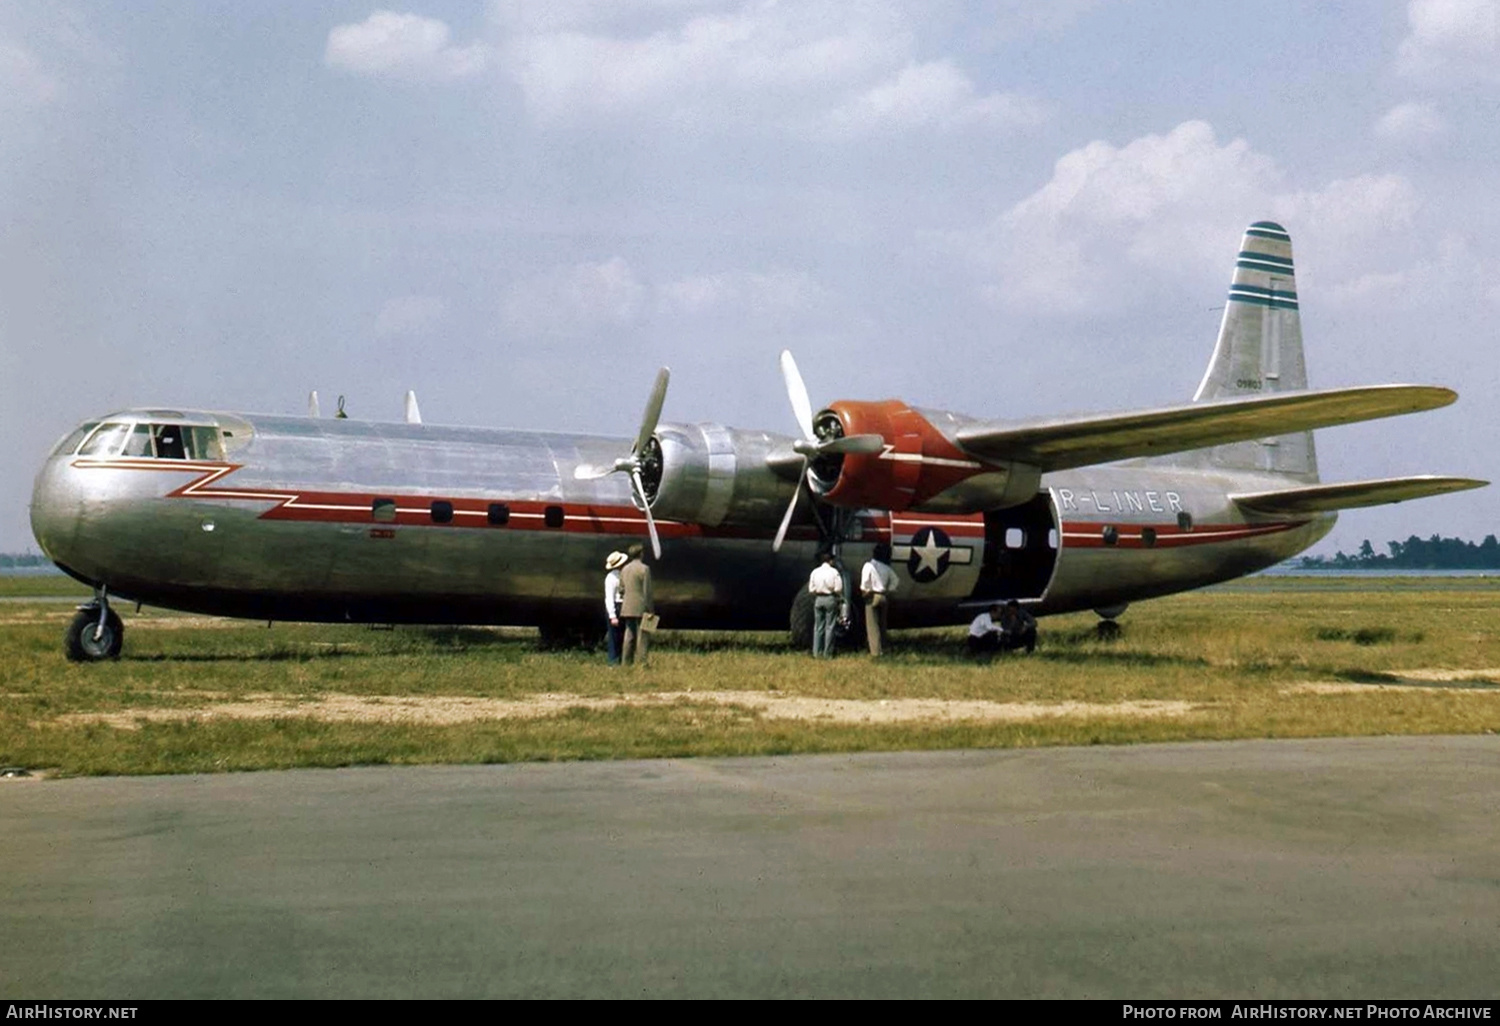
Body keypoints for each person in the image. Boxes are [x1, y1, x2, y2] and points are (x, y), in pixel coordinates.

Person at [859, 543, 898, 657]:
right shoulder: (887, 568)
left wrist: (865, 591)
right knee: (882, 624)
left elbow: (865, 581)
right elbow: (895, 581)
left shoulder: (869, 565)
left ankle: (876, 652)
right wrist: (888, 590)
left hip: (872, 595)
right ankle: (883, 647)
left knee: (872, 625)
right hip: (883, 595)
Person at [619, 543, 654, 666]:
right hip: (641, 605)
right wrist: (650, 609)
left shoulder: (624, 569)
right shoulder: (645, 569)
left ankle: (626, 661)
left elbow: (621, 589)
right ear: (641, 554)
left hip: (627, 606)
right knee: (643, 635)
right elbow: (647, 591)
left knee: (629, 634)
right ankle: (642, 662)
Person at [808, 550, 844, 658]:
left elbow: (811, 589)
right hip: (830, 598)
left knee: (818, 626)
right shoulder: (834, 572)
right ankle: (827, 653)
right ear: (830, 561)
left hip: (818, 598)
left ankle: (816, 652)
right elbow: (838, 588)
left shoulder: (815, 572)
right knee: (830, 626)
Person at [603, 551, 627, 665]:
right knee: (614, 637)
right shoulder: (611, 578)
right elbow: (609, 598)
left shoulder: (619, 576)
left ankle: (619, 659)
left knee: (620, 636)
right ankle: (613, 661)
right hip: (617, 606)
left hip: (620, 605)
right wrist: (612, 615)